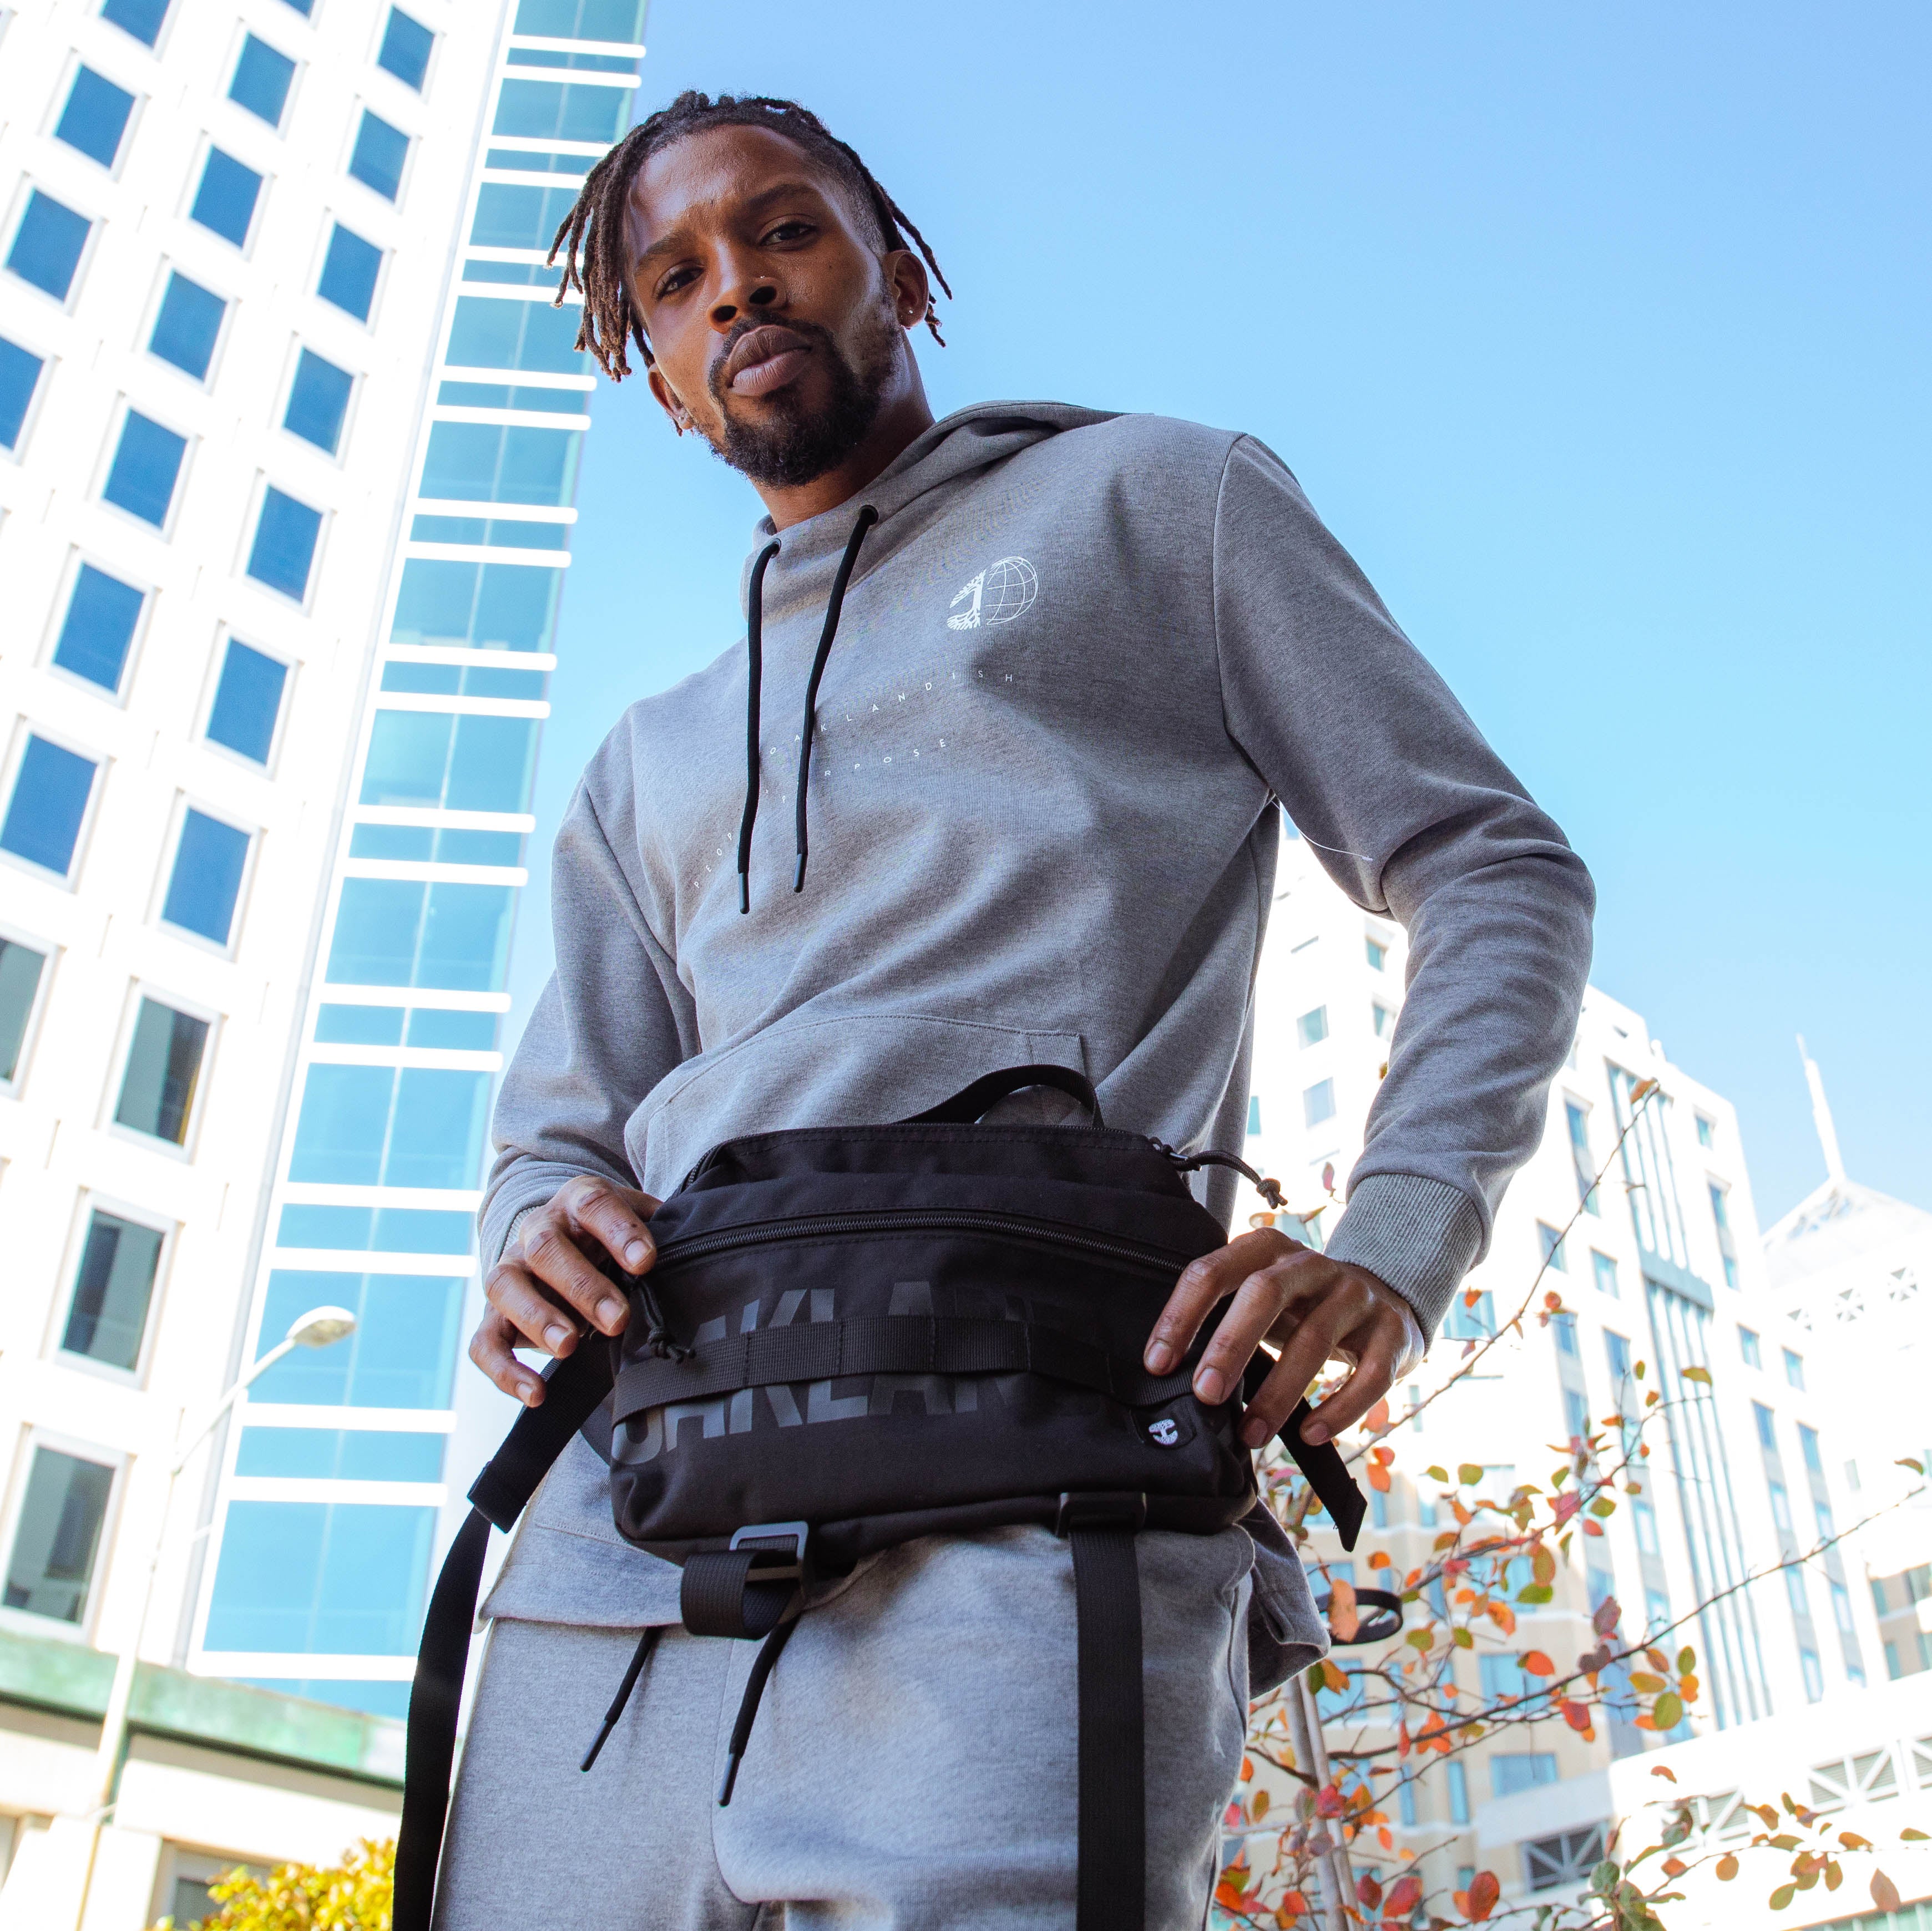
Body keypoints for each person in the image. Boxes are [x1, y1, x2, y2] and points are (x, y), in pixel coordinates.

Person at [439, 90, 1593, 1930]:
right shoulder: (638, 760)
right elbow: (557, 1129)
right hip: (616, 1547)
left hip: (1032, 1475)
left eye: (782, 230)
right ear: (653, 372)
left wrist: (1391, 1238)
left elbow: (1494, 864)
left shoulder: (1158, 500)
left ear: (899, 264)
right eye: (673, 279)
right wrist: (527, 1227)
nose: (734, 286)